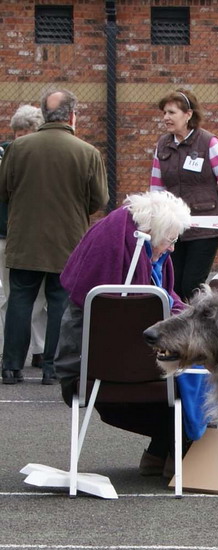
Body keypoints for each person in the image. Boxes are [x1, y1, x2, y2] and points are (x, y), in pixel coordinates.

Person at [55, 191, 193, 478]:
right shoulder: (127, 263)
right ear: (150, 233)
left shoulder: (148, 256)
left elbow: (170, 299)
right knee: (197, 381)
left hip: (97, 371)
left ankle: (161, 453)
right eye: (170, 240)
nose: (171, 249)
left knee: (192, 380)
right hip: (115, 375)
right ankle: (179, 453)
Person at [0, 88, 108, 386]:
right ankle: (52, 368)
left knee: (20, 300)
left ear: (44, 114)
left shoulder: (17, 149)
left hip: (24, 239)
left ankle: (11, 367)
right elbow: (98, 199)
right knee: (60, 301)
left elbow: (4, 191)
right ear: (73, 115)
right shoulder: (87, 152)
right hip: (67, 241)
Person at [149, 89, 218, 301]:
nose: (166, 118)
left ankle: (194, 331)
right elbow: (156, 190)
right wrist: (155, 227)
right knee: (171, 283)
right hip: (173, 229)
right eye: (164, 113)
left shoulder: (210, 143)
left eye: (171, 112)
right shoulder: (162, 145)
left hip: (205, 229)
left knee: (192, 285)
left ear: (188, 114)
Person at [0, 104, 48, 366]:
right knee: (11, 295)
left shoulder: (40, 155)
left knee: (39, 297)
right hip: (9, 234)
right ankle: (10, 348)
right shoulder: (6, 154)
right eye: (18, 134)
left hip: (32, 234)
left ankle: (39, 348)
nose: (21, 138)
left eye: (26, 133)